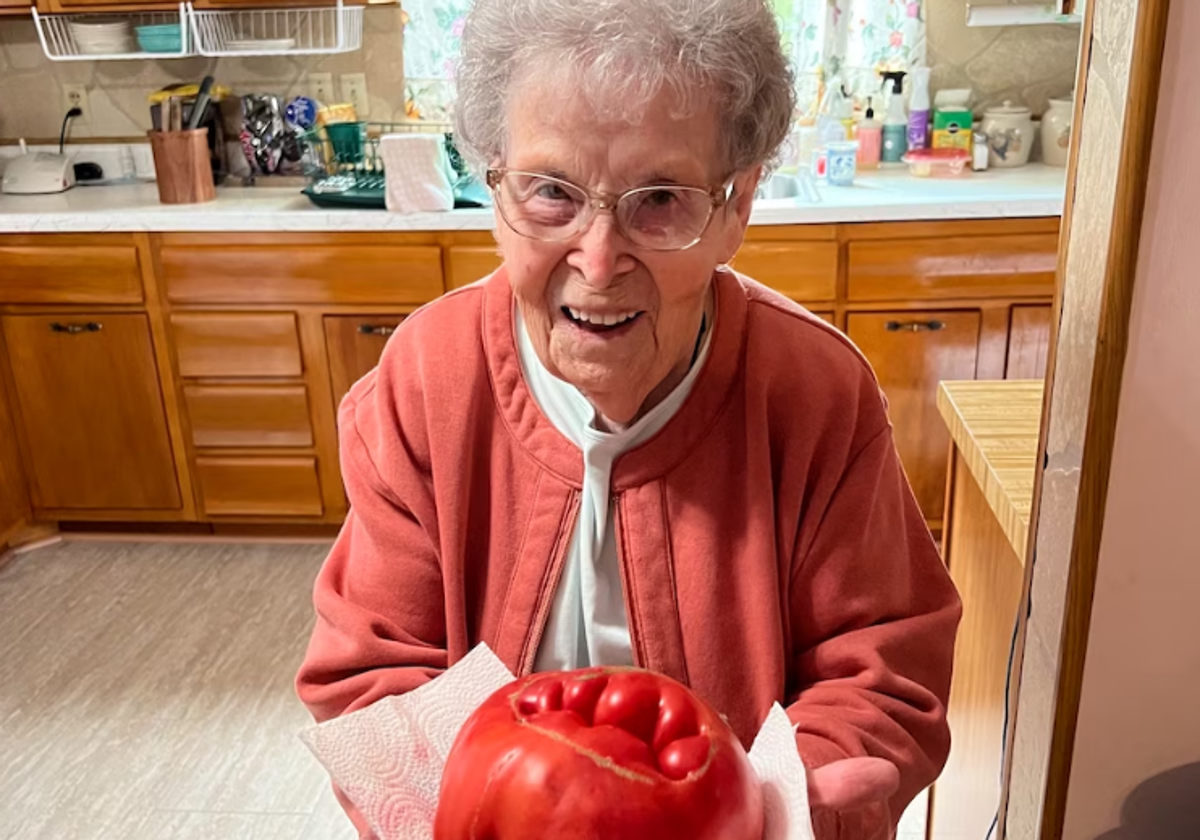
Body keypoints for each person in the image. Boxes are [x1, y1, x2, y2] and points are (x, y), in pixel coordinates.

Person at [296, 0, 961, 836]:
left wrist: (792, 800)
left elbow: (883, 669)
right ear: (493, 181)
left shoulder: (815, 393)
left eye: (660, 200)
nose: (599, 259)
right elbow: (373, 666)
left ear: (737, 206)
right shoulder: (429, 378)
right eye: (550, 193)